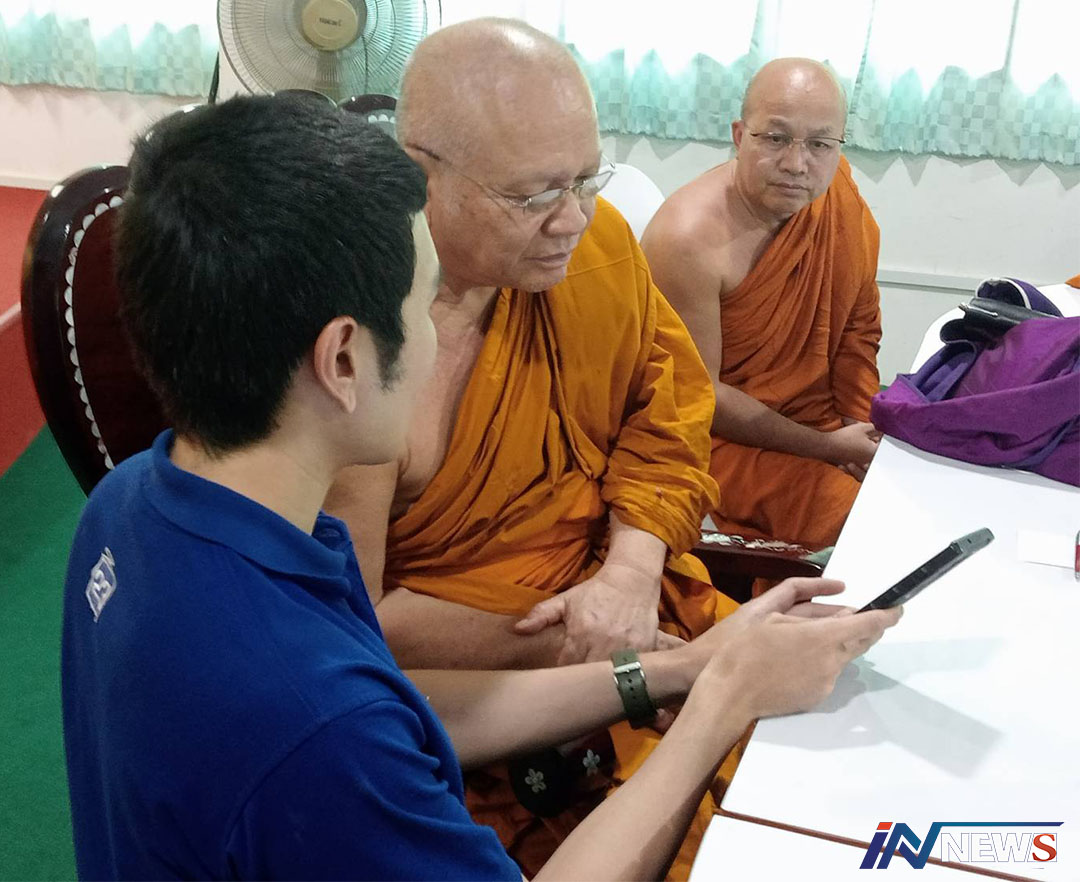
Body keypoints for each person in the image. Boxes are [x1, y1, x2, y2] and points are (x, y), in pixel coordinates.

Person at [60, 93, 900, 881]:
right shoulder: (316, 732)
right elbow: (349, 727)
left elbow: (400, 703)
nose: (444, 333)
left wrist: (681, 671)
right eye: (427, 302)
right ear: (344, 359)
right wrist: (721, 705)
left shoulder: (128, 504)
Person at [323, 19, 733, 874]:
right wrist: (586, 647)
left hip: (638, 606)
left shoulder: (598, 250)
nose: (573, 219)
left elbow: (667, 416)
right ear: (420, 173)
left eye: (585, 178)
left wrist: (629, 574)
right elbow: (350, 624)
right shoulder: (361, 356)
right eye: (534, 195)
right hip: (489, 694)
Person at [641, 58, 883, 551]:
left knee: (914, 488)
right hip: (722, 443)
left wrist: (861, 431)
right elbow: (698, 397)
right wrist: (826, 447)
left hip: (824, 421)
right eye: (775, 138)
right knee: (865, 525)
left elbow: (858, 325)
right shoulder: (686, 238)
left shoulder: (835, 196)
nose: (797, 164)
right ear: (739, 136)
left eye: (819, 144)